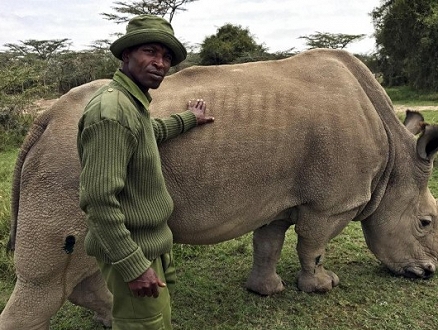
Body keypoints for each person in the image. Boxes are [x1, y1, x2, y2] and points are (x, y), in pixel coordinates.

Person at [77, 14, 214, 330]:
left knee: (154, 319)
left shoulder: (129, 103)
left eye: (166, 56)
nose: (160, 63)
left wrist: (189, 118)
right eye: (150, 52)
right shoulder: (111, 111)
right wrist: (133, 266)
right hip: (133, 250)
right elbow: (98, 200)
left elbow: (146, 132)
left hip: (147, 246)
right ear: (127, 55)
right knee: (143, 323)